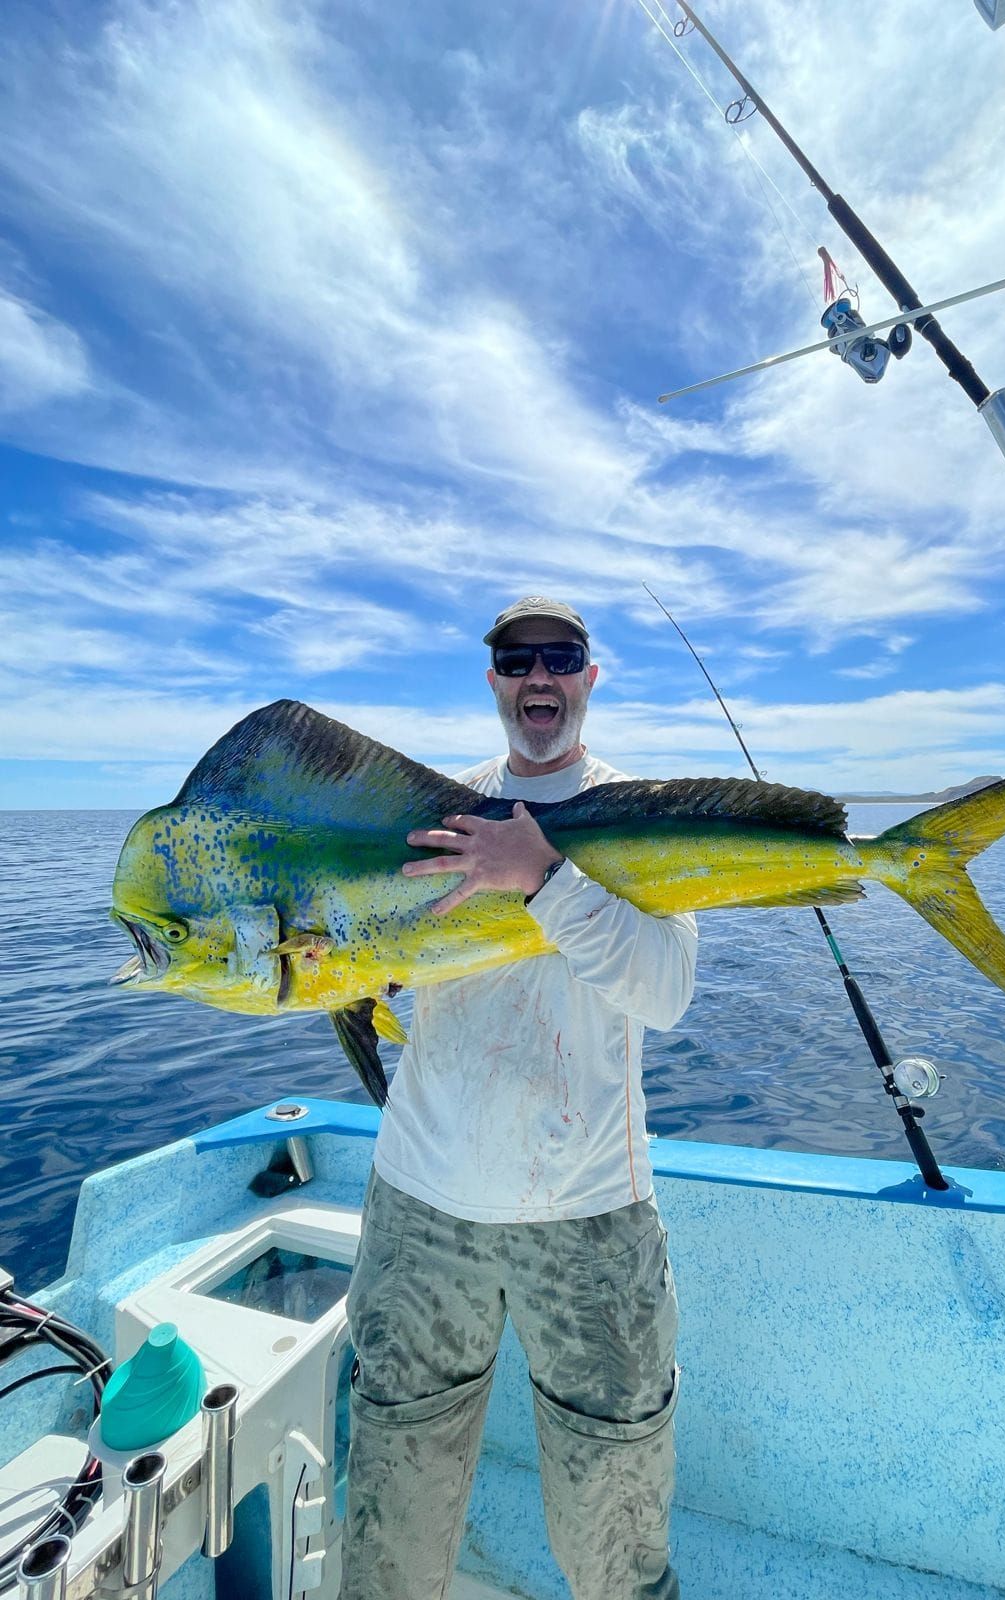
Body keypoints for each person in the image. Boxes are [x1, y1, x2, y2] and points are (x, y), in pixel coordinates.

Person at [340, 596, 698, 1600]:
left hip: (588, 1218)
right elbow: (392, 958)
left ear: (591, 677)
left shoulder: (646, 811)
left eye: (560, 657)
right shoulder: (434, 807)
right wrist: (355, 965)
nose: (538, 676)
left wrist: (544, 877)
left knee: (615, 1530)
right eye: (516, 659)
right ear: (493, 680)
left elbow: (666, 993)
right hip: (422, 1206)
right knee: (390, 1514)